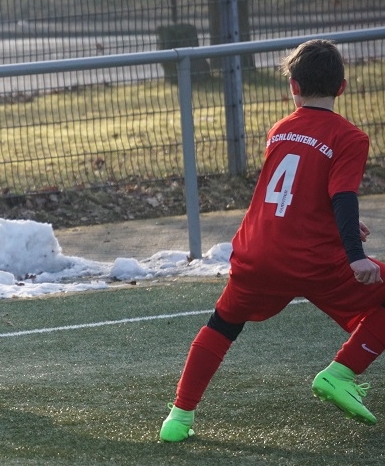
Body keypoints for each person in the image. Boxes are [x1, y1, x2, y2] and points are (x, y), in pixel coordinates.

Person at [160, 39, 385, 442]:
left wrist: (342, 224)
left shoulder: (280, 130)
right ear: (343, 87)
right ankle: (341, 372)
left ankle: (178, 418)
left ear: (293, 87)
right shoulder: (350, 137)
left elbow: (294, 194)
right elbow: (342, 195)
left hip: (257, 253)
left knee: (222, 326)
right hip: (313, 259)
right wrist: (355, 254)